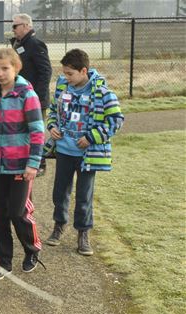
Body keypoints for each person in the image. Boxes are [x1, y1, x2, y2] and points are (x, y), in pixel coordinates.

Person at [44, 49, 124, 256]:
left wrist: (91, 137)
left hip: (87, 156)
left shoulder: (103, 93)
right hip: (63, 151)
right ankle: (59, 226)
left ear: (84, 70)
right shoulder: (63, 88)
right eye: (64, 73)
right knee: (60, 192)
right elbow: (53, 112)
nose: (66, 78)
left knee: (83, 196)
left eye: (70, 74)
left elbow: (116, 120)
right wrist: (52, 125)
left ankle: (83, 234)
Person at [0, 48, 44, 281]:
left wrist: (33, 164)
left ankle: (32, 250)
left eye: (5, 68)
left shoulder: (27, 95)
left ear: (16, 68)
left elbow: (37, 132)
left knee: (18, 212)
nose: (0, 73)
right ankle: (3, 262)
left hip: (22, 167)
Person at [11, 13, 52, 176]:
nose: (13, 29)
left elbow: (46, 71)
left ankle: (40, 163)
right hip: (19, 97)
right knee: (22, 130)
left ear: (27, 26)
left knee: (36, 130)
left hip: (35, 99)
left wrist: (38, 97)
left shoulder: (35, 44)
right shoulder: (18, 45)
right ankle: (24, 160)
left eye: (15, 26)